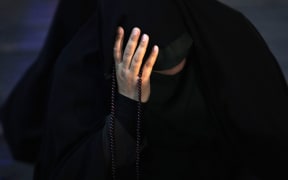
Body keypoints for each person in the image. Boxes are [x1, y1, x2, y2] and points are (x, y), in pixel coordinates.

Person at [1, 0, 288, 179]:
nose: (158, 74)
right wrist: (127, 109)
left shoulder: (228, 44)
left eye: (171, 60)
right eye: (139, 63)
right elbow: (70, 170)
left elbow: (269, 145)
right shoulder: (81, 75)